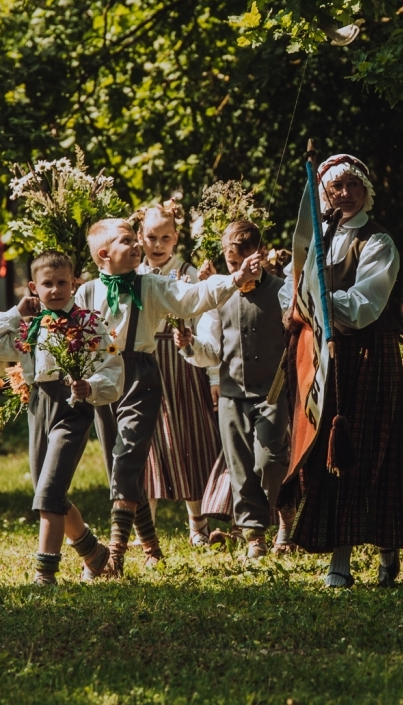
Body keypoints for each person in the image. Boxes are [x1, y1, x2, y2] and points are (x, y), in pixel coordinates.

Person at [74, 218, 263, 576]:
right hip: (101, 378)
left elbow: (194, 297)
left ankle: (115, 555)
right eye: (127, 241)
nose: (136, 246)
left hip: (141, 377)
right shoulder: (88, 292)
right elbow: (78, 334)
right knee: (120, 467)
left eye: (135, 240)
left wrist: (235, 279)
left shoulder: (151, 285)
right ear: (103, 254)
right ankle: (153, 547)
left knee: (128, 459)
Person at [282, 153, 403, 587]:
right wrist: (300, 307)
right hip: (324, 359)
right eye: (335, 187)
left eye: (352, 185)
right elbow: (298, 293)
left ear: (367, 191)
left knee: (367, 450)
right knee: (330, 456)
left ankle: (387, 549)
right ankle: (339, 559)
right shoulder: (319, 238)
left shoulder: (378, 242)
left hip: (367, 357)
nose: (344, 194)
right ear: (324, 193)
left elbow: (366, 305)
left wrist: (324, 303)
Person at [0, 251, 123, 584]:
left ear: (74, 283)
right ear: (33, 287)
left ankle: (45, 574)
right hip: (39, 408)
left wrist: (91, 385)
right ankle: (95, 554)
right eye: (47, 284)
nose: (55, 290)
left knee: (49, 495)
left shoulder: (89, 323)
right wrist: (17, 312)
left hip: (72, 408)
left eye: (62, 283)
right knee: (48, 491)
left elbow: (111, 365)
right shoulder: (29, 325)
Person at [177, 220, 292, 559]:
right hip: (232, 393)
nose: (238, 268)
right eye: (231, 263)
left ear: (257, 254)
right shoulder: (219, 293)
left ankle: (273, 518)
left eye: (243, 260)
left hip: (273, 391)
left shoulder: (282, 291)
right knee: (239, 468)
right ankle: (254, 535)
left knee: (270, 459)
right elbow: (212, 350)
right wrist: (190, 344)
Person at [132, 198, 224, 548]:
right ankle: (146, 527)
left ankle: (197, 525)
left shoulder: (188, 273)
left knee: (188, 441)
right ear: (139, 236)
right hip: (146, 364)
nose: (157, 246)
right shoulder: (133, 273)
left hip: (183, 365)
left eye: (165, 238)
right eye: (151, 237)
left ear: (176, 238)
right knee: (146, 443)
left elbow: (206, 326)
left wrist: (214, 377)